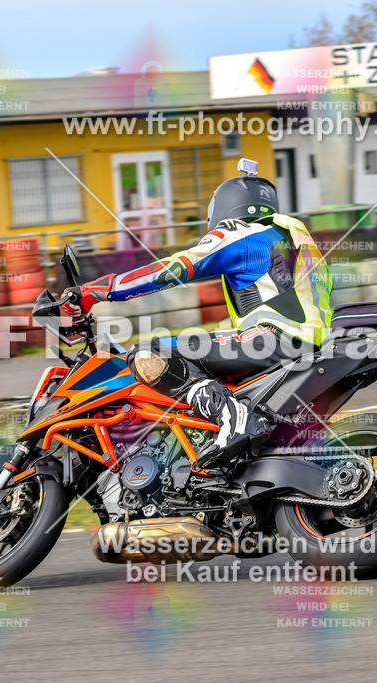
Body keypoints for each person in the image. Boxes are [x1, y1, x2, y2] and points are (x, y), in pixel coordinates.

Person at [59, 159, 333, 468]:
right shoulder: (295, 240)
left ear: (226, 207)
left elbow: (175, 268)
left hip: (272, 340)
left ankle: (233, 417)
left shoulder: (242, 234)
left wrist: (97, 291)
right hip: (308, 346)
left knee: (147, 353)